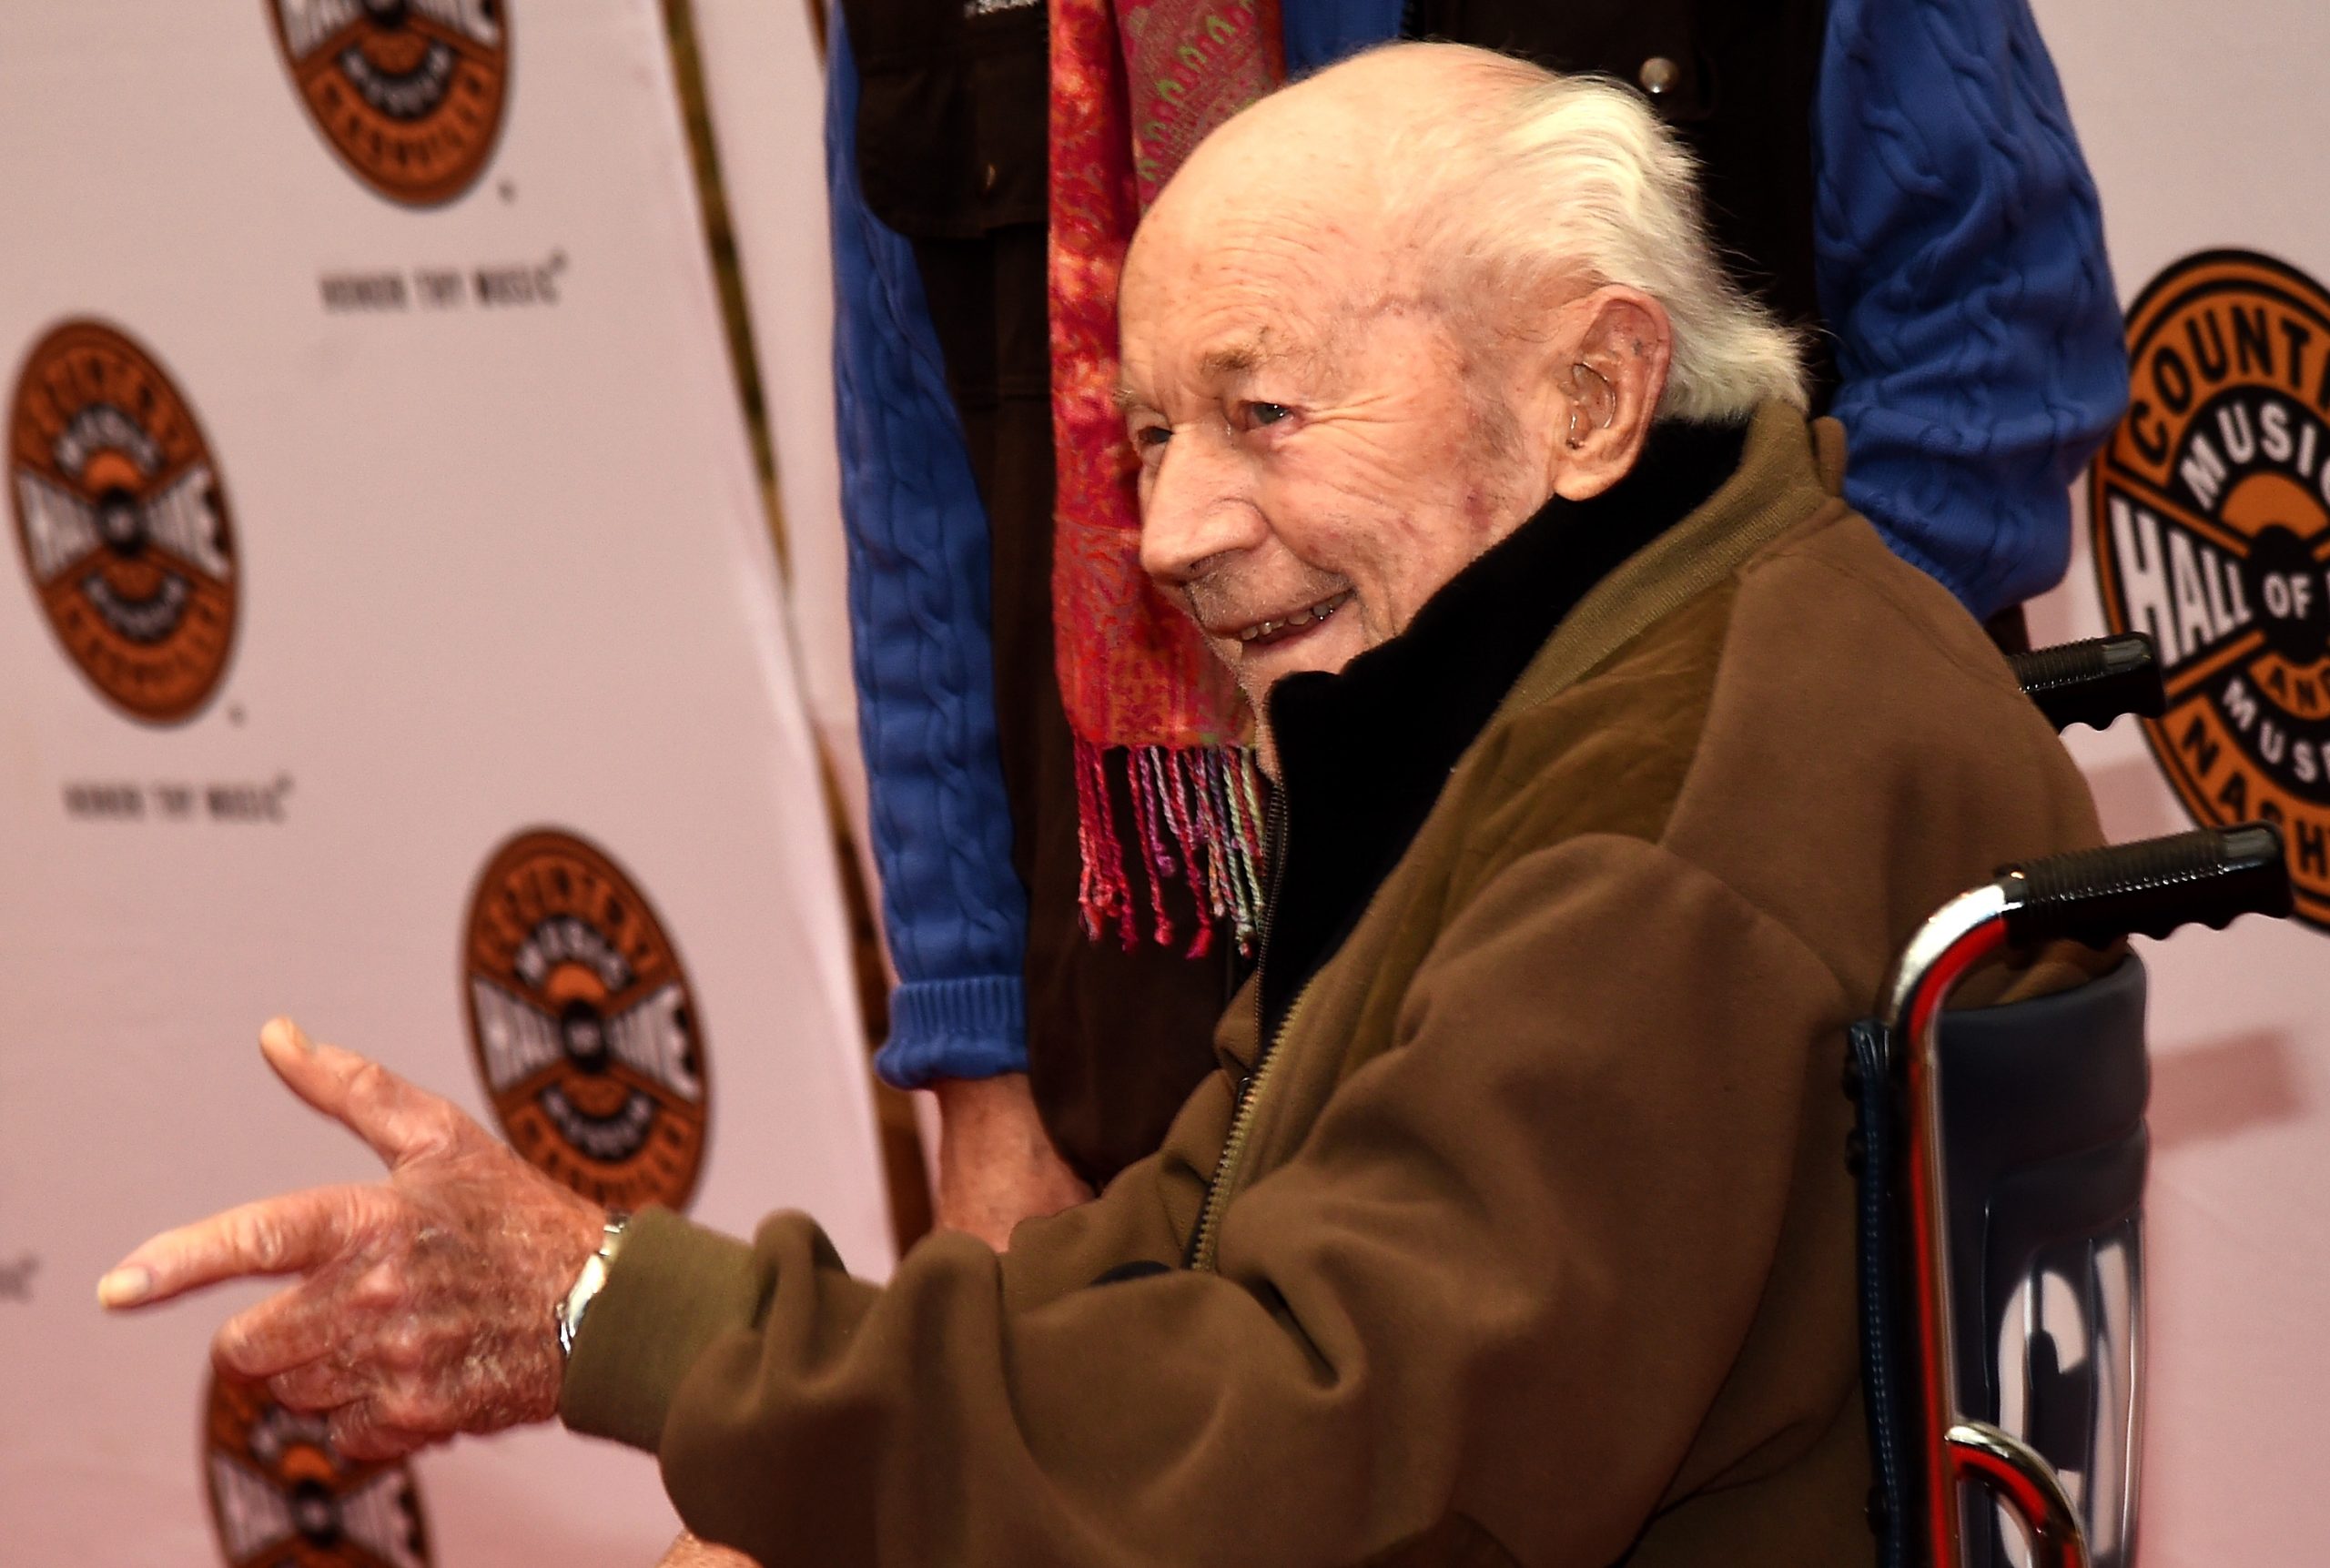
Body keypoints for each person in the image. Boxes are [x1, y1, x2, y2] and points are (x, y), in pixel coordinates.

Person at [106, 46, 2106, 1565]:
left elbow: (1318, 1444)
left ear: (1586, 396)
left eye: (1261, 413)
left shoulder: (1661, 824)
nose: (1163, 533)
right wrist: (771, 1422)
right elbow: (1200, 1237)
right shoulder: (1611, 657)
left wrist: (622, 1318)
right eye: (1146, 433)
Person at [828, 0, 2127, 1245]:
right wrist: (980, 1069)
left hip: (1710, 1008)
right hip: (1162, 1001)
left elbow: (1991, 365)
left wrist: (1676, 816)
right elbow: (923, 519)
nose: (1168, 532)